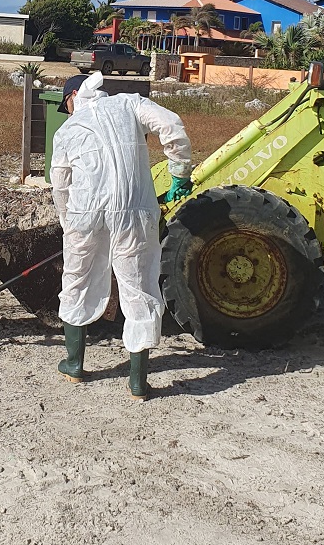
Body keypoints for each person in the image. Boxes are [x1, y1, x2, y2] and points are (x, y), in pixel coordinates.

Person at [50, 72, 193, 401]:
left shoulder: (67, 130)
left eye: (66, 105)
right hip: (135, 213)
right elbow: (170, 124)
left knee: (76, 281)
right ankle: (138, 384)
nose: (68, 111)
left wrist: (67, 223)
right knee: (139, 286)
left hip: (84, 215)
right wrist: (179, 170)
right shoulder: (129, 104)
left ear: (73, 96)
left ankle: (74, 365)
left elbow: (60, 185)